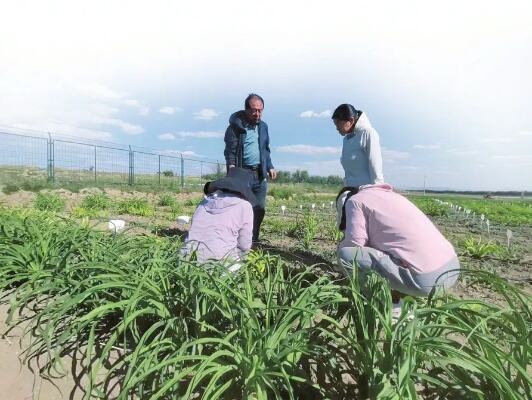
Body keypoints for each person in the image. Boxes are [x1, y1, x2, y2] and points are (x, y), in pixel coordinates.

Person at [335, 183, 460, 303]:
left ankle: (386, 303)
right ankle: (401, 291)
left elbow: (354, 245)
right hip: (452, 268)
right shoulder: (391, 195)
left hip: (427, 281)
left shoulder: (355, 201)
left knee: (346, 254)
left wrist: (340, 247)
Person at [224, 93, 276, 243]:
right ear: (246, 109)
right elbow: (230, 151)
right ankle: (236, 238)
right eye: (254, 110)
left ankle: (253, 239)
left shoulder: (263, 127)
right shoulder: (235, 127)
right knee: (239, 207)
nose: (257, 114)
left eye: (260, 110)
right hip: (242, 174)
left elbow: (265, 149)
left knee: (259, 209)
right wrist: (232, 169)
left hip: (259, 174)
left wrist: (270, 166)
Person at [182, 167, 255, 267]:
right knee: (238, 259)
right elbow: (244, 244)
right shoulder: (245, 206)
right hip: (218, 266)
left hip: (186, 260)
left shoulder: (205, 201)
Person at [332, 104, 384, 187]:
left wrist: (377, 190)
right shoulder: (346, 140)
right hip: (351, 192)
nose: (337, 128)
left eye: (338, 123)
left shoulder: (368, 133)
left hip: (367, 192)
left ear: (351, 120)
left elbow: (375, 165)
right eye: (335, 124)